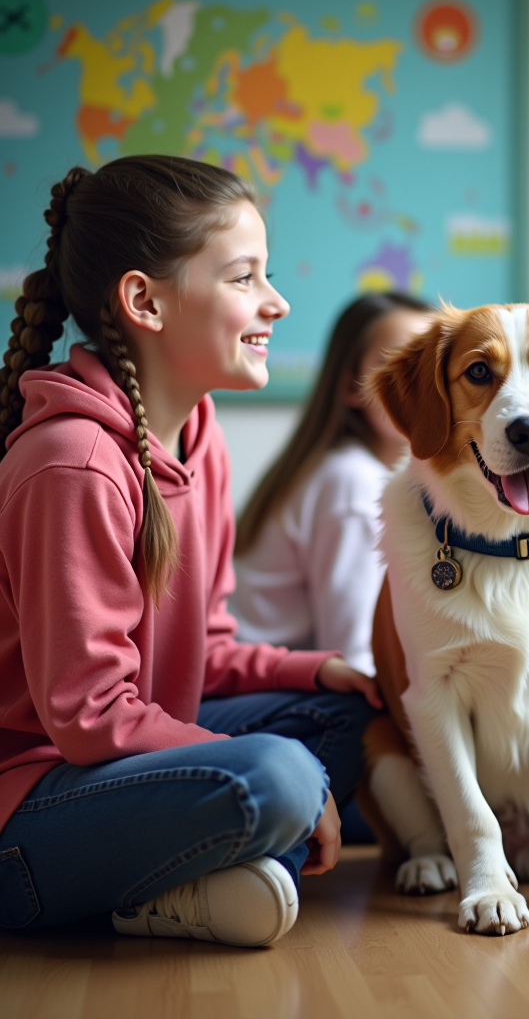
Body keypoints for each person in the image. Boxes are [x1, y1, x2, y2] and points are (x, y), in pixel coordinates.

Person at [0, 156, 381, 947]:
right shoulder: (73, 464)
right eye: (245, 277)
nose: (275, 302)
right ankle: (171, 880)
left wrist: (314, 670)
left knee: (345, 713)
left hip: (116, 763)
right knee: (280, 774)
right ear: (145, 301)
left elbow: (204, 649)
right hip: (27, 809)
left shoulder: (200, 439)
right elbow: (87, 717)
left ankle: (178, 880)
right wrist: (288, 776)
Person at [231, 291, 431, 677]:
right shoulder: (353, 484)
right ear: (352, 388)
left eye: (431, 368)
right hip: (259, 690)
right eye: (398, 368)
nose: (421, 390)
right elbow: (353, 657)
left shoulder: (355, 472)